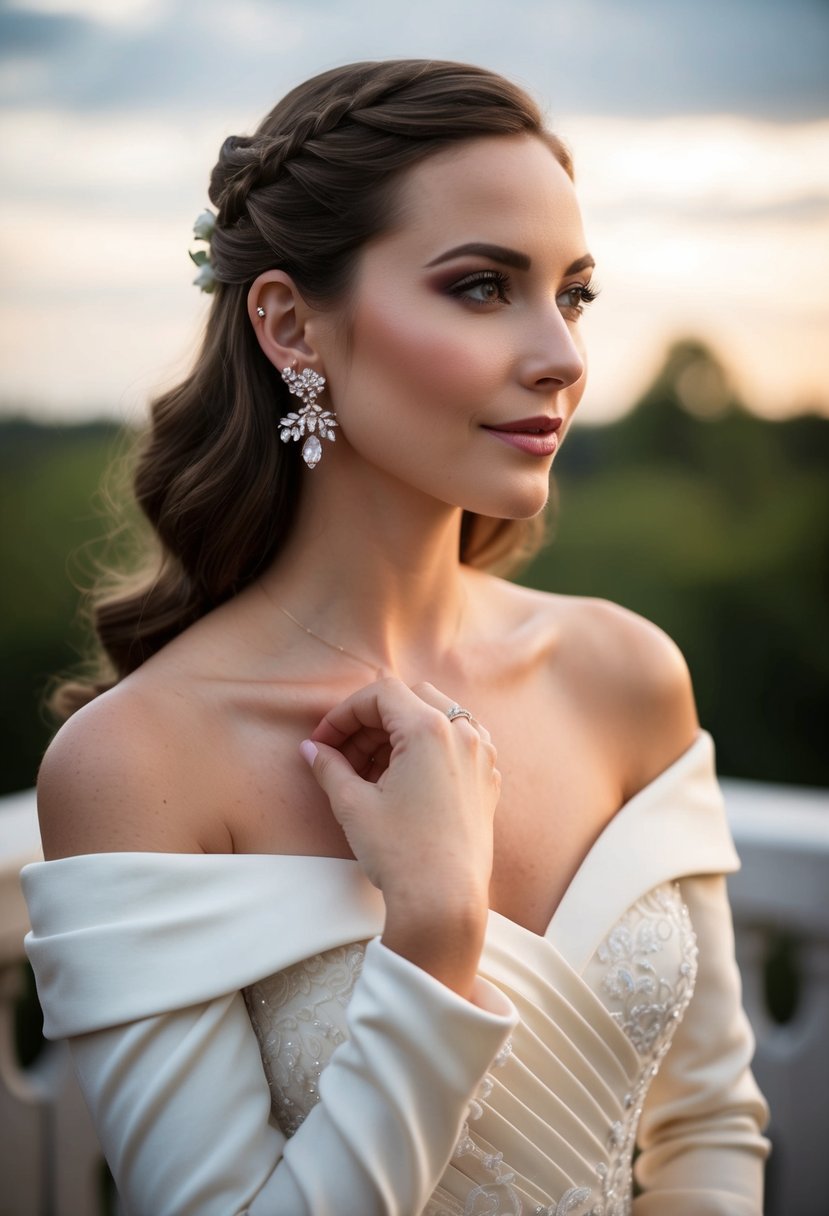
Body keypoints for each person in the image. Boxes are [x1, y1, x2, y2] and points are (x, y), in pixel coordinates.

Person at [22, 59, 769, 1215]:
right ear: (289, 324)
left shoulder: (626, 674)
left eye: (572, 293)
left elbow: (709, 1127)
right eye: (480, 287)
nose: (562, 356)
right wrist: (429, 935)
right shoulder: (140, 765)